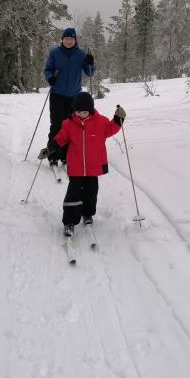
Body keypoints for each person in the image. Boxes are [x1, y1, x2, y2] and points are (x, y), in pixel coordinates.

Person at [43, 92, 126, 236]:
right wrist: (50, 148)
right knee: (73, 195)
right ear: (74, 110)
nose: (82, 114)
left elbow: (110, 128)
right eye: (79, 112)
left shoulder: (100, 122)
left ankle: (87, 214)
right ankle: (69, 221)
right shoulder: (68, 124)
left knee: (91, 193)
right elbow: (61, 138)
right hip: (76, 168)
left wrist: (118, 119)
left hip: (93, 168)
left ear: (91, 110)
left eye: (85, 112)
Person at [42, 27, 95, 166]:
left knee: (71, 126)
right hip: (57, 94)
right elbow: (48, 69)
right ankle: (53, 154)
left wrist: (91, 63)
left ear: (75, 40)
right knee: (57, 125)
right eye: (66, 39)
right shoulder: (55, 53)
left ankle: (67, 154)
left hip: (74, 96)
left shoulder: (81, 54)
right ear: (62, 40)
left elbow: (90, 73)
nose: (69, 41)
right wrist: (50, 78)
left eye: (71, 39)